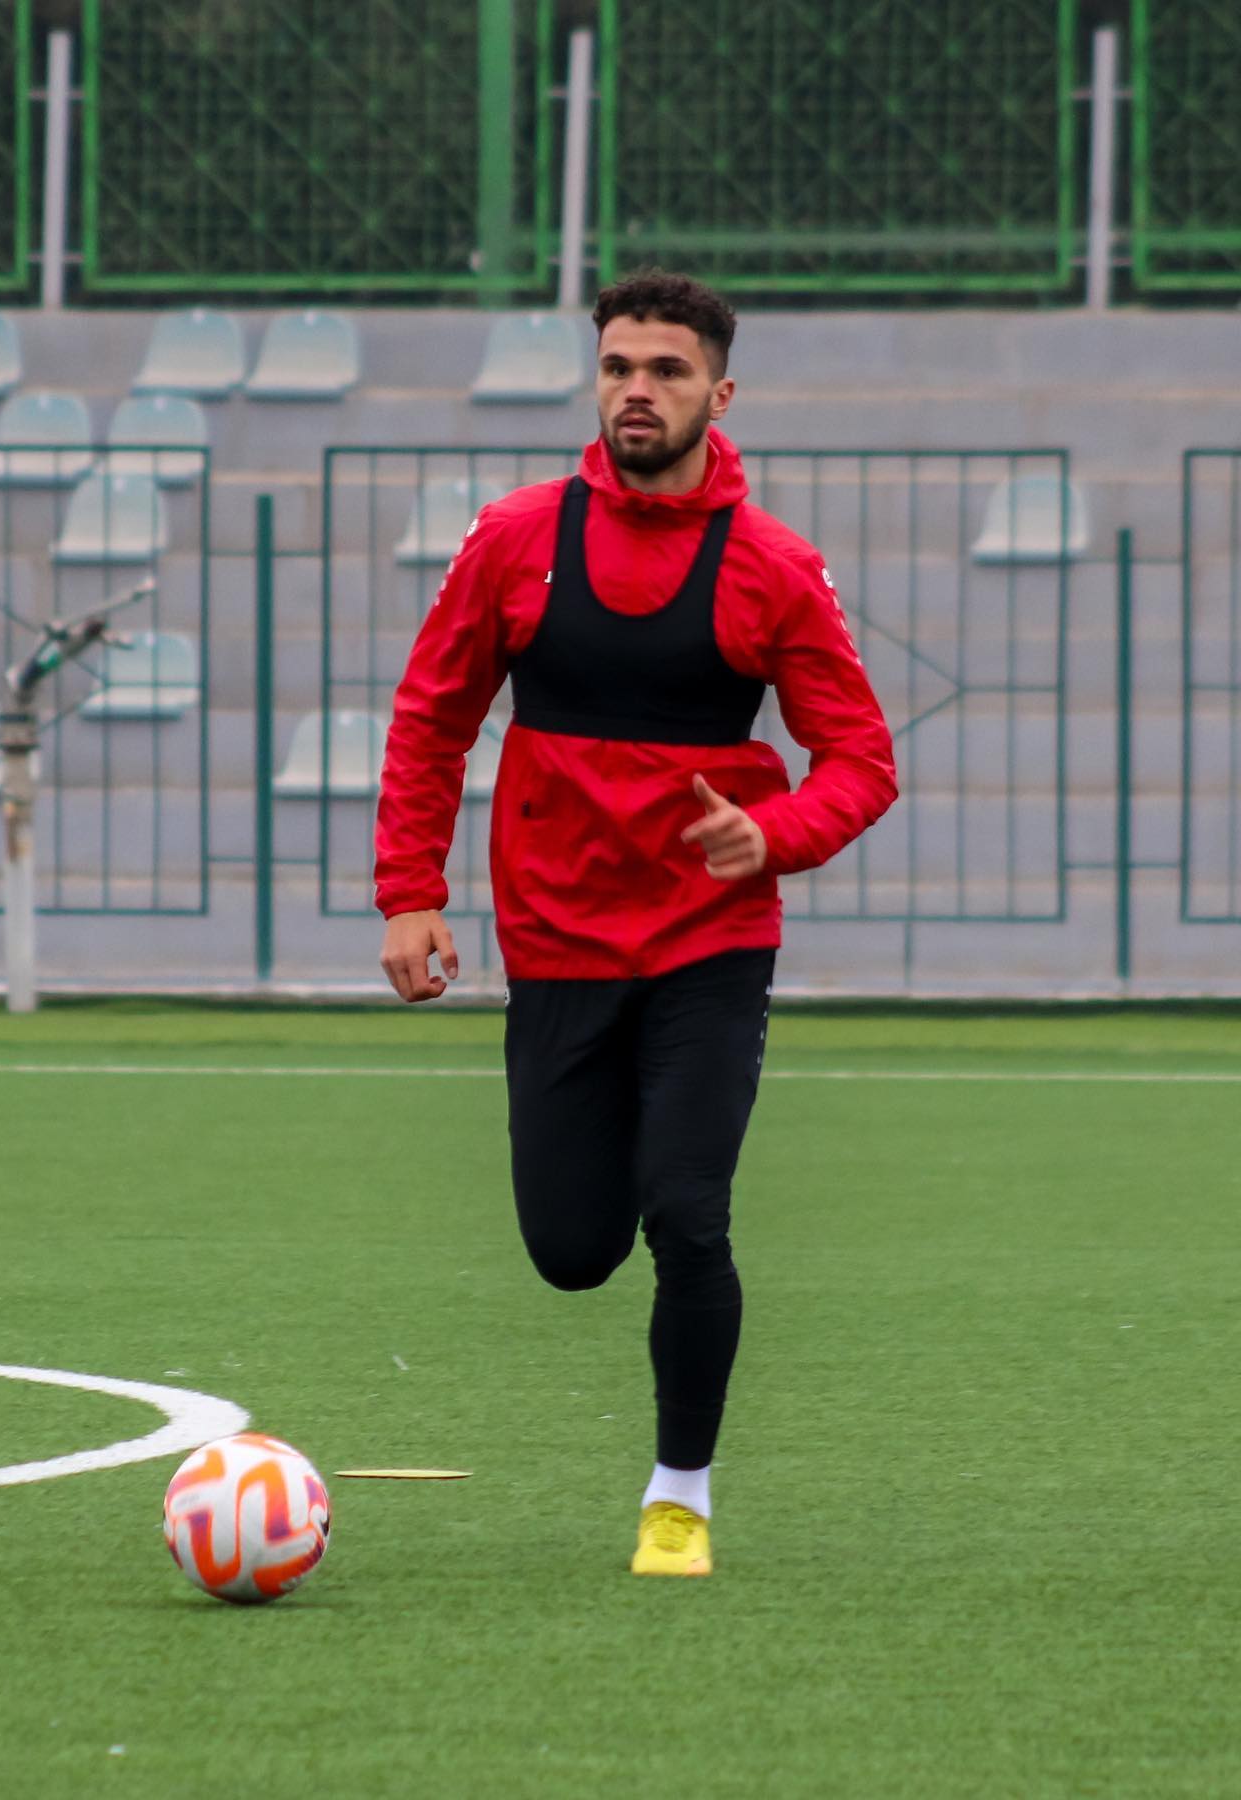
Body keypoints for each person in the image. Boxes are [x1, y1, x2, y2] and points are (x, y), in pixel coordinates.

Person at [375, 270, 897, 1576]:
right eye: (618, 367)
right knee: (570, 1251)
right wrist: (411, 891)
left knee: (689, 1212)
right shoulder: (515, 538)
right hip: (557, 941)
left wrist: (773, 836)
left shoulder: (773, 567)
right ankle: (605, 1214)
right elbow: (433, 716)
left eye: (667, 370)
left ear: (721, 393)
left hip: (711, 946)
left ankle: (680, 1495)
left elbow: (860, 761)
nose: (637, 391)